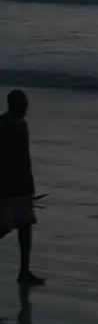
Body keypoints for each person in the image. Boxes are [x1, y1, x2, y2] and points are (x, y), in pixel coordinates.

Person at [0, 91, 42, 286]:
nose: (25, 109)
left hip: (23, 185)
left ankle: (24, 270)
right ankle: (24, 271)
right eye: (22, 105)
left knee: (25, 227)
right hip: (6, 186)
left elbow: (24, 159)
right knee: (4, 226)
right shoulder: (4, 125)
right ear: (12, 105)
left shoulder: (21, 124)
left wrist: (29, 186)